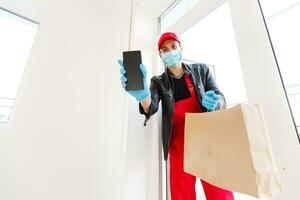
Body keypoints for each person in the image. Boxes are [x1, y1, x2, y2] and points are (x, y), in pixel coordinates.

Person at [117, 32, 234, 200]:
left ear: (181, 48)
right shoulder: (158, 82)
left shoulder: (201, 70)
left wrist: (216, 103)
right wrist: (143, 96)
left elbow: (221, 98)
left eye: (173, 46)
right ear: (160, 55)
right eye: (164, 49)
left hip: (208, 142)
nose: (170, 51)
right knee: (182, 196)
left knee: (220, 194)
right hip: (179, 146)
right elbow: (152, 106)